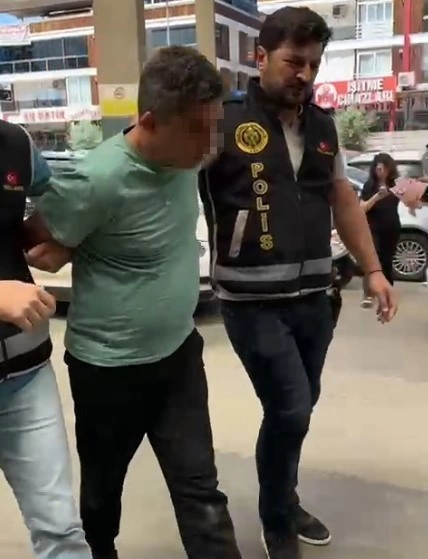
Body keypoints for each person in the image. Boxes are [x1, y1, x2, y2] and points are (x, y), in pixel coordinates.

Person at [25, 46, 242, 559]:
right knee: (102, 497)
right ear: (149, 122)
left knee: (201, 491)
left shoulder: (187, 155)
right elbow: (34, 242)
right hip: (107, 372)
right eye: (198, 131)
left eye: (214, 127)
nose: (210, 144)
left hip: (178, 357)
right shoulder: (96, 179)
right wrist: (64, 245)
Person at [199, 7, 397, 559]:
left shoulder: (322, 126)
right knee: (290, 408)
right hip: (251, 302)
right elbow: (164, 174)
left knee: (299, 408)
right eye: (293, 62)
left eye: (313, 64)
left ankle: (284, 497)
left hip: (315, 298)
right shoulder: (221, 120)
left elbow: (342, 199)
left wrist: (374, 270)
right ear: (260, 57)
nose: (304, 74)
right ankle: (277, 516)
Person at [0, 120, 91, 559]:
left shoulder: (14, 143)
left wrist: (58, 238)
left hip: (26, 375)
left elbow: (57, 198)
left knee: (60, 530)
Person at [360, 153, 400, 308]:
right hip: (373, 228)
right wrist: (377, 197)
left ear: (390, 169)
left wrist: (412, 203)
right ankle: (368, 295)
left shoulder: (395, 185)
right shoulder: (370, 186)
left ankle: (387, 293)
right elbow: (362, 208)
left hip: (391, 227)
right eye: (377, 167)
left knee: (387, 260)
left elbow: (410, 200)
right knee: (372, 259)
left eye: (383, 167)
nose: (380, 170)